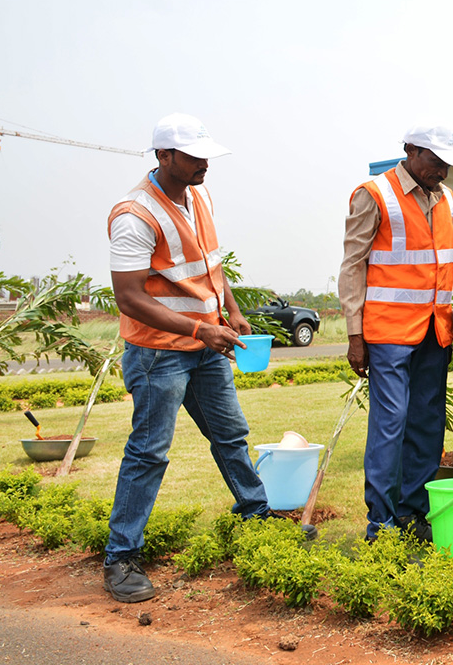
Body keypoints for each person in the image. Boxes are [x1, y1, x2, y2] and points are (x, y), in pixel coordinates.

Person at [104, 113, 301, 604]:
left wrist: (232, 311)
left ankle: (256, 515)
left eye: (207, 155)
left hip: (208, 344)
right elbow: (129, 297)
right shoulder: (134, 214)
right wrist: (199, 328)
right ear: (163, 156)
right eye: (194, 156)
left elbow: (212, 265)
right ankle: (121, 556)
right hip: (159, 355)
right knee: (149, 452)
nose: (205, 164)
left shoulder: (199, 195)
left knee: (230, 434)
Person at [340, 125, 453, 544]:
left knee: (427, 425)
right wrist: (354, 334)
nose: (443, 173)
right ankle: (381, 522)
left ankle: (414, 514)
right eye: (436, 162)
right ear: (411, 151)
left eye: (448, 165)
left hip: (434, 330)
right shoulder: (374, 193)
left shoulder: (445, 197)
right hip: (388, 333)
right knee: (390, 424)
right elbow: (352, 266)